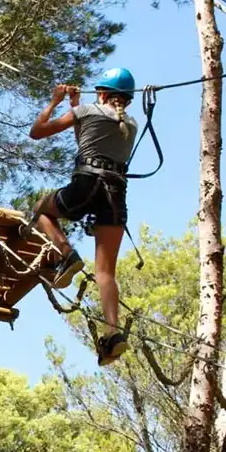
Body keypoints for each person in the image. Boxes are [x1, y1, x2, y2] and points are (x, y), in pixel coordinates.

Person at [28, 68, 138, 366]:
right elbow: (88, 139)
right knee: (106, 273)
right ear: (127, 99)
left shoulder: (88, 111)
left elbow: (37, 132)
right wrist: (75, 105)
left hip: (87, 184)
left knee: (40, 210)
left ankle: (67, 254)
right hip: (115, 194)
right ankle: (112, 333)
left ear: (101, 93)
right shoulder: (130, 124)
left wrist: (55, 102)